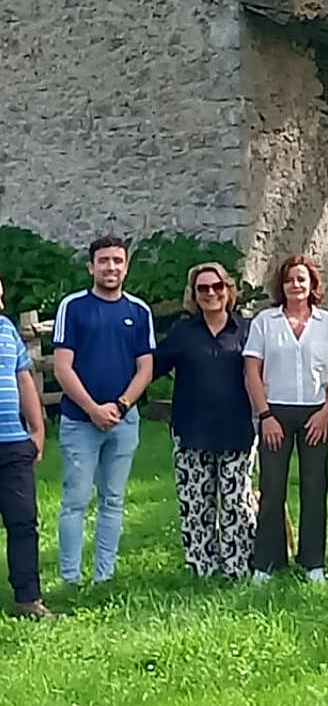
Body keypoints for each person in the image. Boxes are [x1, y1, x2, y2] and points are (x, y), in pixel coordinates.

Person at [53, 235, 154, 586]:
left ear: (126, 267)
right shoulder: (74, 307)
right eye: (104, 261)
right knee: (76, 501)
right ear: (91, 266)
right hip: (81, 421)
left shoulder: (139, 312)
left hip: (124, 422)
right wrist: (93, 408)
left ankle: (104, 576)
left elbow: (145, 368)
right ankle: (70, 578)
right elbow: (63, 366)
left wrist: (122, 405)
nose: (111, 267)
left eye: (118, 261)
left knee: (113, 500)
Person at [244, 255, 328, 583]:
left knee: (315, 486)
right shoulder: (265, 322)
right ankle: (267, 563)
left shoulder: (327, 324)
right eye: (290, 280)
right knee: (272, 488)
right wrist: (265, 415)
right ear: (282, 285)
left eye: (302, 280)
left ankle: (313, 562)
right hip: (275, 411)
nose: (296, 286)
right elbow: (252, 370)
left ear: (312, 285)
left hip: (315, 413)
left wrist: (326, 413)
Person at [153, 263, 256, 579]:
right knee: (196, 504)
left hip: (237, 430)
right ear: (194, 295)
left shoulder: (247, 330)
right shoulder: (183, 333)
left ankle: (238, 567)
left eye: (217, 287)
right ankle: (203, 568)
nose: (211, 293)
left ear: (228, 290)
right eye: (203, 289)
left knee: (236, 504)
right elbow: (151, 367)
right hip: (192, 430)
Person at [0, 276, 53, 618]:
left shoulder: (7, 330)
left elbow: (24, 378)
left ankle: (28, 600)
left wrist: (36, 429)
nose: (1, 305)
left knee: (23, 523)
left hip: (13, 444)